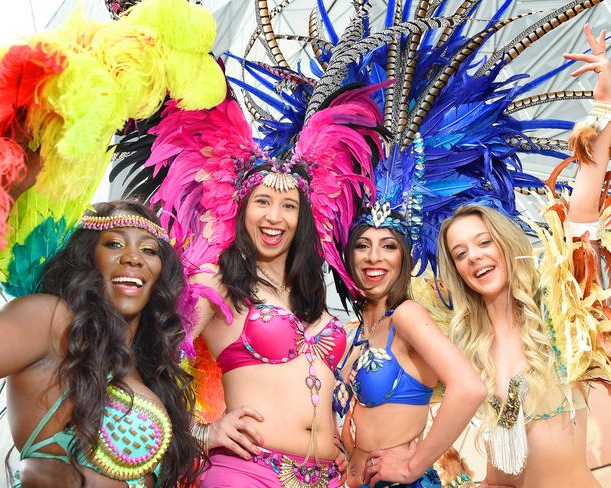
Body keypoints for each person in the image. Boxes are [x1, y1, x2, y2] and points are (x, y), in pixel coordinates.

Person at [109, 85, 387, 487]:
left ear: (302, 218)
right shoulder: (218, 282)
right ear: (241, 209)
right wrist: (200, 432)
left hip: (327, 478)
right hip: (248, 472)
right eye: (262, 202)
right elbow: (151, 355)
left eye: (288, 205)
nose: (275, 217)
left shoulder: (310, 297)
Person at [437, 25, 611, 488]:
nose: (474, 257)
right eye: (460, 253)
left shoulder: (554, 309)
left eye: (483, 242)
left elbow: (581, 213)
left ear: (504, 245)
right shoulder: (470, 347)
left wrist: (603, 107)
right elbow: (503, 468)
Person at [0, 191, 202, 487]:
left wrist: (209, 433)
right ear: (88, 258)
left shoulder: (150, 369)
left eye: (149, 251)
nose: (133, 258)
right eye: (114, 244)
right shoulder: (55, 321)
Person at [334, 141, 486, 488]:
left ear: (403, 258)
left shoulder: (407, 316)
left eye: (388, 246)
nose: (374, 257)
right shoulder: (350, 331)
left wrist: (413, 466)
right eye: (362, 245)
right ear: (349, 256)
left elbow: (469, 387)